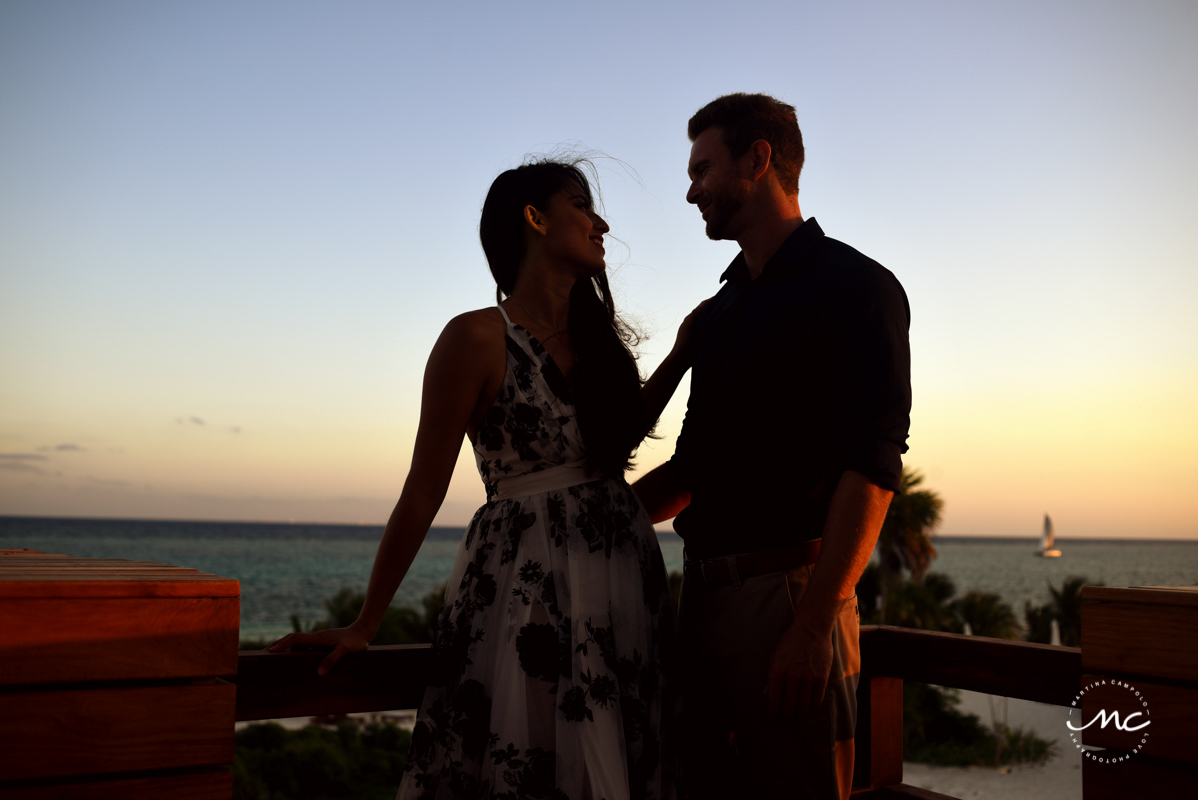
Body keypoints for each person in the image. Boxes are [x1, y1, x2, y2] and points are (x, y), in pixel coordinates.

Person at [270, 159, 697, 800]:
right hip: (527, 577)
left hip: (620, 573)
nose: (601, 222)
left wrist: (682, 353)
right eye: (582, 205)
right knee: (531, 755)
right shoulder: (475, 338)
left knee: (624, 746)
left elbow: (612, 443)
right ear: (534, 219)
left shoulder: (599, 343)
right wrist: (366, 622)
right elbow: (423, 490)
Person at [632, 94, 912, 799]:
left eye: (702, 169)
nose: (690, 190)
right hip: (698, 599)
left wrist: (814, 625)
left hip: (788, 600)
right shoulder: (720, 313)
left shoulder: (857, 288)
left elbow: (871, 468)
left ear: (758, 161)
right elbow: (696, 470)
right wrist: (579, 521)